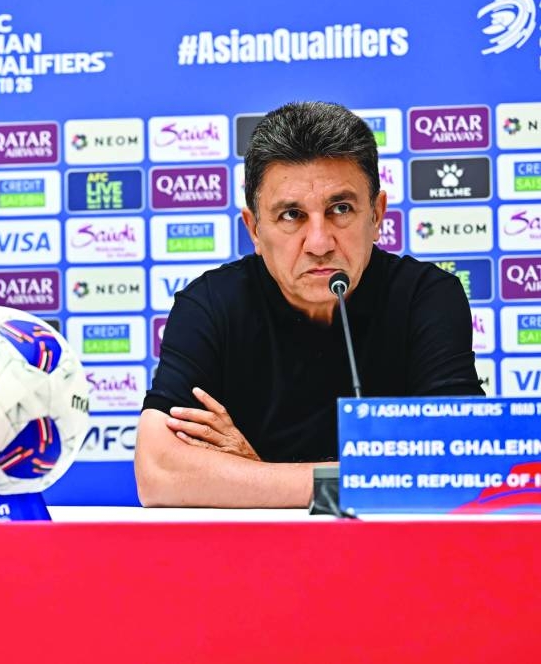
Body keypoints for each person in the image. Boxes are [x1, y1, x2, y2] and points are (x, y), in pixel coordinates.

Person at [135, 101, 483, 508]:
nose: (319, 243)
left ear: (377, 215)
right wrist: (355, 479)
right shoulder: (211, 305)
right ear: (254, 229)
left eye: (341, 209)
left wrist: (256, 472)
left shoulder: (427, 297)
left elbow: (458, 462)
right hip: (255, 559)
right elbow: (157, 471)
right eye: (291, 215)